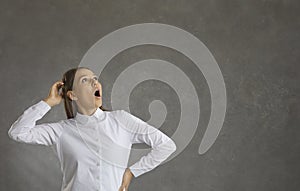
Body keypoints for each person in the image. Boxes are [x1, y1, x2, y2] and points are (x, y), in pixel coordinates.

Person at [8, 67, 177, 191]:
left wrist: (131, 173)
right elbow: (18, 133)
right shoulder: (61, 131)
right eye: (85, 80)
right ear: (72, 95)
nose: (95, 82)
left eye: (95, 78)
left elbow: (166, 145)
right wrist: (49, 102)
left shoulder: (121, 120)